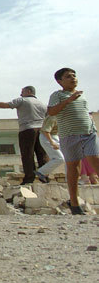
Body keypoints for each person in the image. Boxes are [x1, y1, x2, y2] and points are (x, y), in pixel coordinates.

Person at [47, 68, 99, 214]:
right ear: (60, 81)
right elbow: (51, 112)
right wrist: (69, 100)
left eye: (74, 76)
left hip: (89, 134)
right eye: (68, 76)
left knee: (95, 160)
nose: (73, 78)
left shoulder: (82, 96)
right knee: (73, 168)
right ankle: (75, 204)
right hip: (69, 136)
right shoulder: (57, 95)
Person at [0, 86, 48, 184]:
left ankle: (29, 178)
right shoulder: (42, 104)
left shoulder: (22, 100)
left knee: (27, 154)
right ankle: (44, 177)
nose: (21, 94)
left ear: (28, 91)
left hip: (27, 129)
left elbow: (6, 105)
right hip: (42, 130)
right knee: (42, 155)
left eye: (22, 92)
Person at [33, 115, 65, 183]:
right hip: (47, 137)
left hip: (56, 136)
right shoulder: (53, 117)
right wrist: (52, 142)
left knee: (67, 157)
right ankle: (41, 172)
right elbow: (46, 131)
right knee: (59, 158)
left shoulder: (63, 116)